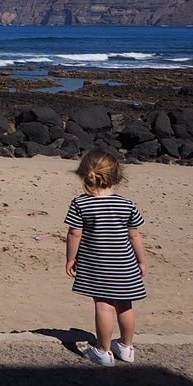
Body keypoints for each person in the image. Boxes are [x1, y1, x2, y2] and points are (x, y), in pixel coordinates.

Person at [64, 148, 148, 367]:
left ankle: (103, 351)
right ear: (116, 176)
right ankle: (127, 347)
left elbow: (75, 233)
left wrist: (70, 258)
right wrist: (141, 260)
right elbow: (135, 235)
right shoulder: (126, 204)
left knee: (104, 306)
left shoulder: (81, 204)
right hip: (125, 263)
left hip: (97, 263)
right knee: (125, 304)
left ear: (84, 175)